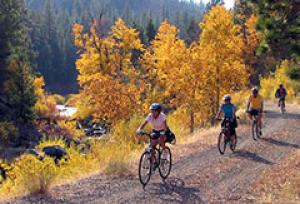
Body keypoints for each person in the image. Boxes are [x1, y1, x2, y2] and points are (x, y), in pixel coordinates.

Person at [136, 103, 168, 169]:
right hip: (155, 131)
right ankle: (155, 162)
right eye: (152, 111)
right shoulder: (150, 116)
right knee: (151, 147)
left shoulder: (162, 116)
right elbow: (144, 123)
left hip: (163, 131)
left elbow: (165, 126)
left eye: (154, 111)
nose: (152, 112)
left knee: (161, 141)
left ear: (158, 111)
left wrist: (163, 132)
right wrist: (139, 129)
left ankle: (165, 151)